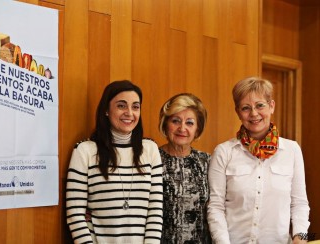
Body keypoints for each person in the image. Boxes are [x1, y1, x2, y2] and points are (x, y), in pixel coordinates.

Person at [208, 77, 310, 243]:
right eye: (246, 108)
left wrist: (301, 237)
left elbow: (300, 204)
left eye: (260, 105)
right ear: (238, 112)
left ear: (271, 106)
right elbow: (215, 207)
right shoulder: (223, 152)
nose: (254, 113)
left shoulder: (292, 150)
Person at [66, 80, 163, 244]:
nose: (129, 113)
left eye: (135, 107)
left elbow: (155, 211)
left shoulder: (150, 149)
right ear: (106, 110)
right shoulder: (85, 151)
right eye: (121, 106)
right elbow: (75, 213)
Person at [158, 93, 212, 243]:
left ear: (197, 129)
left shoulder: (207, 162)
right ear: (165, 124)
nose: (182, 128)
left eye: (189, 123)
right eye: (176, 121)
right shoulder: (152, 159)